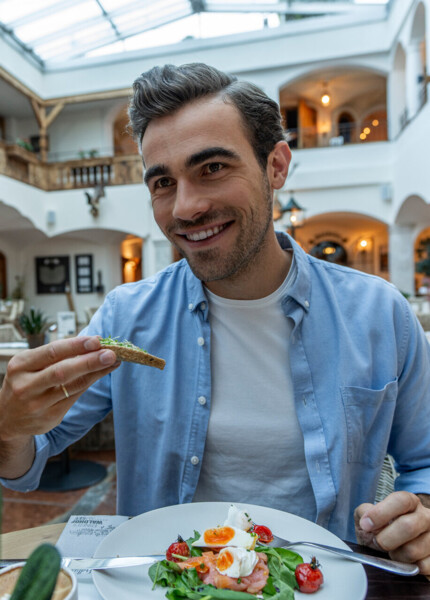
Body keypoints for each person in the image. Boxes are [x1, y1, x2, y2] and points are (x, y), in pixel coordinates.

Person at [1, 63, 430, 575]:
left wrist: (418, 517)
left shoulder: (380, 315)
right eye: (163, 182)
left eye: (212, 168)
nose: (185, 207)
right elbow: (29, 461)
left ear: (276, 166)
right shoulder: (127, 317)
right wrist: (11, 427)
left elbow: (423, 462)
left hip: (322, 584)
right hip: (165, 586)